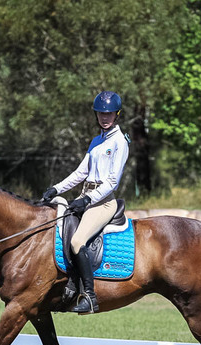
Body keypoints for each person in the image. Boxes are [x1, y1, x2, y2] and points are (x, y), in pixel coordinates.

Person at [41, 90, 130, 314]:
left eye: (109, 114)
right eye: (100, 113)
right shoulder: (97, 141)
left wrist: (88, 199)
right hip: (86, 197)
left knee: (78, 241)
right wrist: (56, 189)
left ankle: (90, 296)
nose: (104, 117)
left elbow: (112, 181)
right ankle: (68, 282)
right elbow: (81, 173)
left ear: (117, 114)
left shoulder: (120, 141)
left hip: (103, 202)